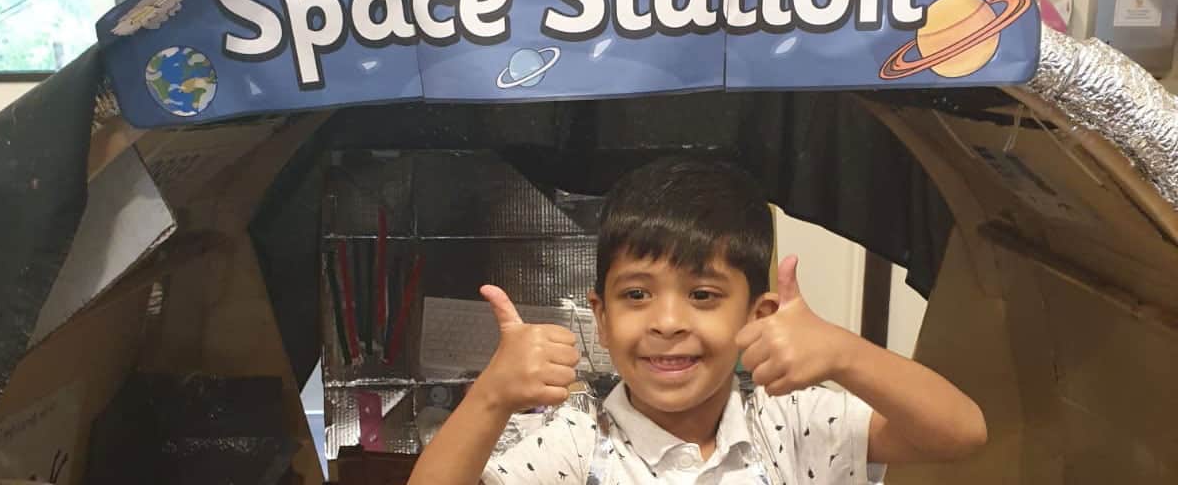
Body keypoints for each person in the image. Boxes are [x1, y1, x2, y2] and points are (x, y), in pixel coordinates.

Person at [408, 157, 987, 484]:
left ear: (758, 317)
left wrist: (845, 353)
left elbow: (960, 432)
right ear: (601, 319)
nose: (666, 321)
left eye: (703, 295)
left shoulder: (794, 425)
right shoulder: (576, 447)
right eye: (637, 294)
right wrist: (490, 398)